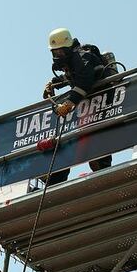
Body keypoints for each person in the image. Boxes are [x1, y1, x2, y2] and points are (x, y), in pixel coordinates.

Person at [41, 28, 113, 185]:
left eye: (60, 52)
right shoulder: (73, 61)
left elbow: (84, 81)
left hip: (105, 104)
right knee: (68, 145)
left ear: (68, 48)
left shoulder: (82, 57)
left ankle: (103, 178)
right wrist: (54, 83)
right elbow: (73, 77)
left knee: (98, 145)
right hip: (90, 108)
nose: (57, 56)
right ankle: (54, 181)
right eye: (55, 53)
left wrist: (68, 104)